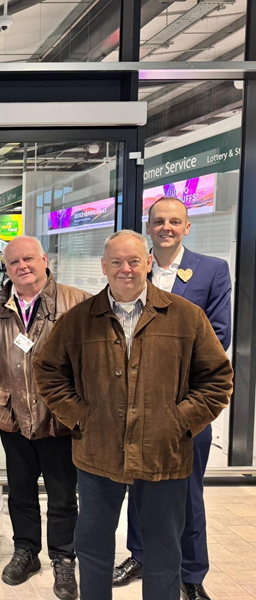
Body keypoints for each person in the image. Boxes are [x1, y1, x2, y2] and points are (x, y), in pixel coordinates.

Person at [33, 230, 233, 600]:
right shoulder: (78, 320)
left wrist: (180, 421)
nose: (125, 269)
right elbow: (47, 371)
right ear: (104, 267)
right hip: (97, 452)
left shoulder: (187, 317)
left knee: (164, 551)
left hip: (164, 454)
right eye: (117, 262)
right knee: (93, 547)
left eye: (134, 261)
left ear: (149, 263)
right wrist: (79, 417)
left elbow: (217, 379)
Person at [113, 198, 232, 600]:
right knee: (137, 484)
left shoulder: (211, 271)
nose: (166, 227)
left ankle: (191, 573)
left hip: (185, 404)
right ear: (148, 227)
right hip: (134, 403)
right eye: (159, 221)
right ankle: (140, 555)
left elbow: (218, 335)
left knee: (187, 491)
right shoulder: (133, 267)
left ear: (187, 227)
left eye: (175, 221)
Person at [0, 236, 89, 600]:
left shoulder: (77, 302)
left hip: (60, 419)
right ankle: (26, 551)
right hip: (13, 416)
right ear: (6, 268)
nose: (22, 266)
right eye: (14, 262)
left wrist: (82, 407)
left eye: (28, 259)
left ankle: (63, 557)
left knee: (62, 496)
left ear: (45, 259)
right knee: (21, 492)